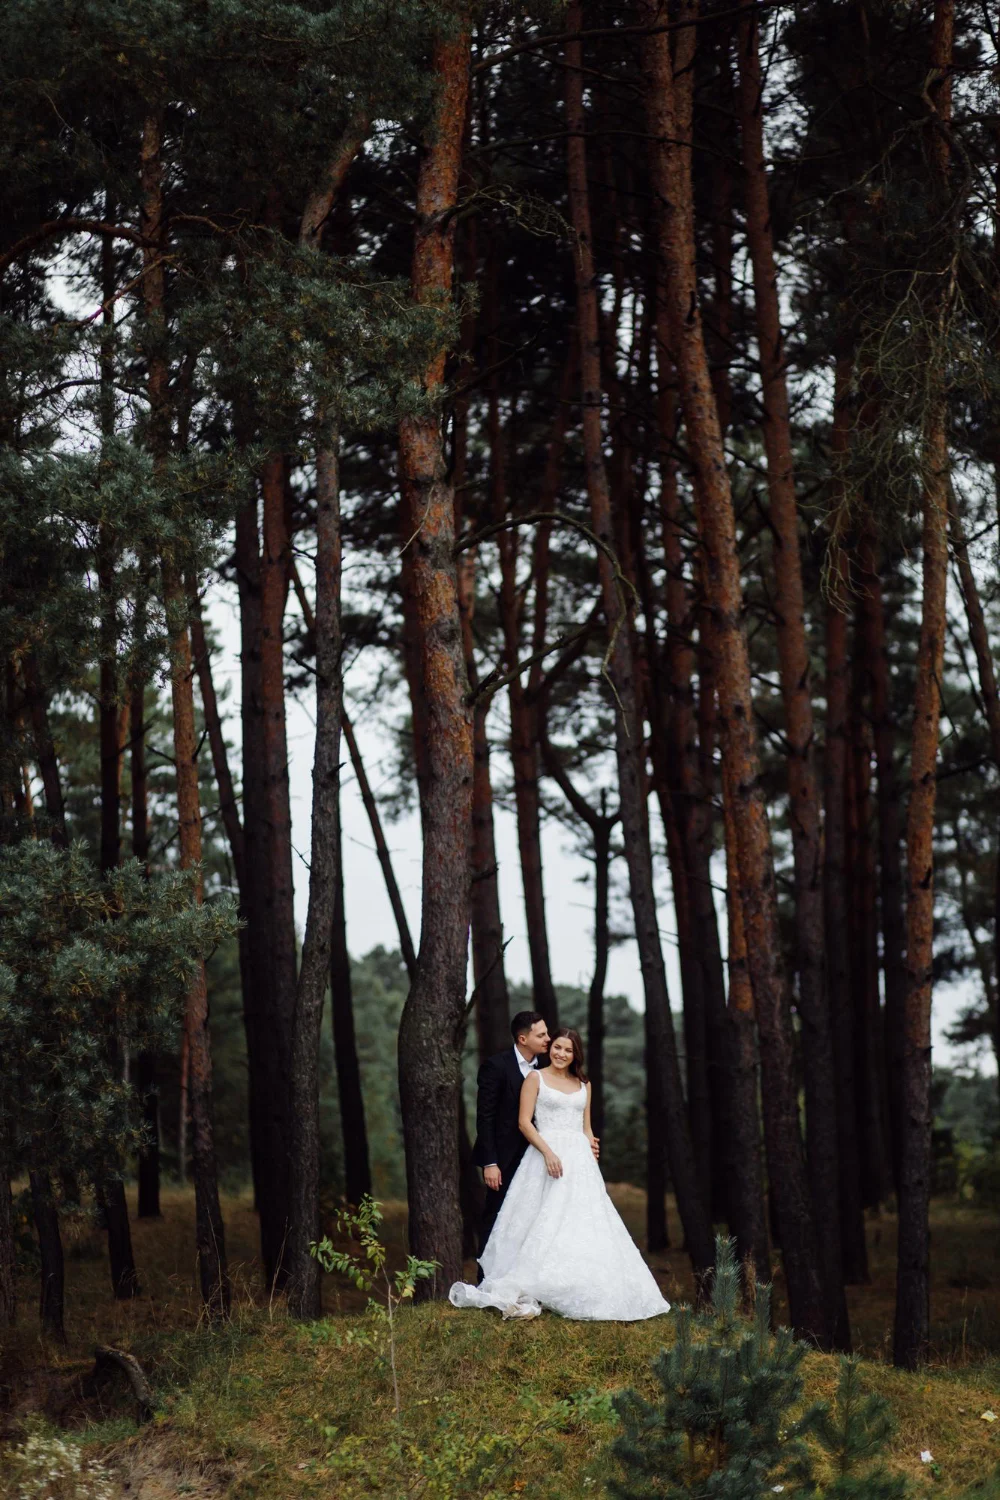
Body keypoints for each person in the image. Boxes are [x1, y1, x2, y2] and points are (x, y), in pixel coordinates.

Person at [451, 1028, 671, 1321]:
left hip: (579, 1160)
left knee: (581, 1219)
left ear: (575, 1054)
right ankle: (537, 1279)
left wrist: (591, 1146)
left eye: (568, 1050)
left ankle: (586, 1282)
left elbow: (586, 1125)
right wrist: (548, 1153)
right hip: (545, 1155)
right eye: (556, 1047)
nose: (560, 1054)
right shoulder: (536, 1078)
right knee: (543, 1217)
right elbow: (524, 1123)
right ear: (549, 1048)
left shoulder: (584, 1083)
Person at [472, 1010, 554, 1272]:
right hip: (503, 1158)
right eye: (541, 1035)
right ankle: (485, 1280)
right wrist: (490, 1162)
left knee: (531, 1218)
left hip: (536, 1157)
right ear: (522, 1038)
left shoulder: (546, 1069)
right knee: (496, 1216)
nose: (547, 1039)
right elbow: (485, 1118)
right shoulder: (495, 1067)